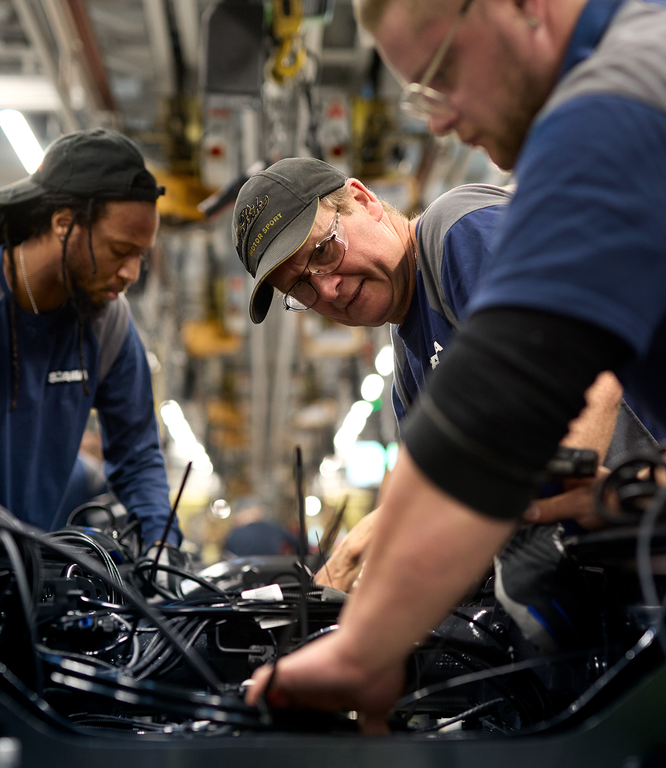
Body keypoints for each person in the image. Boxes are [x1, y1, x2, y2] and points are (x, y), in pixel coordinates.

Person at [240, 0, 666, 732]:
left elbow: (533, 400)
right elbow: (450, 462)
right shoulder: (410, 351)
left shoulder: (465, 223)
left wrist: (366, 642)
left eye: (442, 74)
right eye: (302, 292)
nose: (435, 121)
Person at [232, 157, 656, 591]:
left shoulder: (456, 232)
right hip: (606, 576)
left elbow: (584, 375)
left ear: (363, 200)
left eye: (323, 251)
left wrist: (536, 520)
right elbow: (432, 497)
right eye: (300, 287)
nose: (327, 288)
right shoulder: (407, 360)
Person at [0, 128, 181, 551]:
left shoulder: (108, 323)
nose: (132, 273)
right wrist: (6, 543)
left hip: (28, 574)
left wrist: (163, 549)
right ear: (63, 223)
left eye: (140, 255)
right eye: (120, 250)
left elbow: (137, 457)